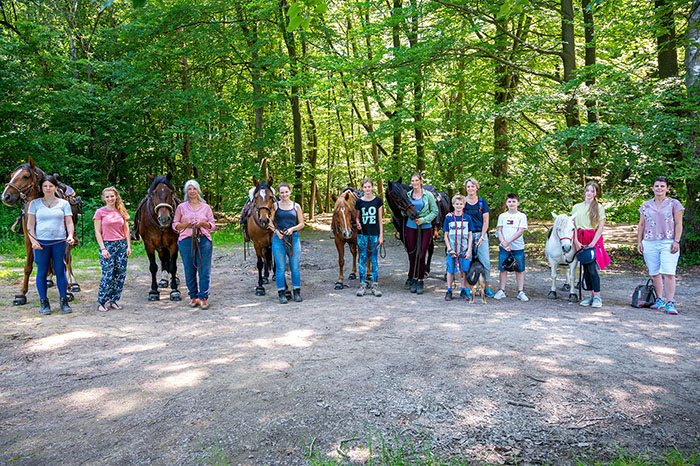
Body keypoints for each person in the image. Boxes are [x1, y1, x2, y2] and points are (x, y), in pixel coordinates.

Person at [26, 175, 75, 315]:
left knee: (60, 270)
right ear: (41, 188)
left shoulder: (63, 204)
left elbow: (69, 222)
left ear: (56, 188)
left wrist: (70, 235)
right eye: (45, 186)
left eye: (50, 186)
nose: (48, 189)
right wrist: (33, 240)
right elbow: (30, 225)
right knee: (41, 271)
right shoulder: (34, 204)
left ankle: (64, 300)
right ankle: (44, 302)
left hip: (59, 242)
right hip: (41, 243)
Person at [637, 176, 684, 315]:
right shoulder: (645, 205)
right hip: (650, 241)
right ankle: (659, 299)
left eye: (662, 186)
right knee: (654, 273)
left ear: (667, 189)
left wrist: (676, 240)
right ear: (652, 188)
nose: (659, 188)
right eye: (657, 186)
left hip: (668, 241)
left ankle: (670, 302)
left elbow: (678, 223)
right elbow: (641, 224)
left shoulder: (674, 204)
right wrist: (639, 241)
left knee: (669, 272)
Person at [173, 180, 215, 309]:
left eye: (194, 189)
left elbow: (212, 226)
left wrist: (204, 224)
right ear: (186, 192)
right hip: (186, 240)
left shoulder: (206, 207)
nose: (192, 191)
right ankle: (193, 296)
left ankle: (203, 297)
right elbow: (175, 225)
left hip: (203, 240)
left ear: (198, 191)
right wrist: (186, 225)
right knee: (189, 269)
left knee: (204, 269)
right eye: (189, 189)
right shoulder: (181, 207)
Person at [572, 181, 611, 308]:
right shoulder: (576, 207)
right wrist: (576, 241)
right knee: (585, 269)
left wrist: (593, 243)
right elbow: (573, 225)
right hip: (580, 238)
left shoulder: (599, 207)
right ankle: (589, 295)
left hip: (593, 239)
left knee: (593, 268)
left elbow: (600, 227)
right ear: (584, 191)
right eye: (588, 190)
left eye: (592, 191)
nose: (589, 193)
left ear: (596, 193)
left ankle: (597, 296)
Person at [93, 187, 132, 312]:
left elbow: (126, 230)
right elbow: (97, 232)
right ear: (104, 198)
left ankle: (114, 300)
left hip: (121, 245)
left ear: (116, 197)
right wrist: (103, 248)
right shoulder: (100, 212)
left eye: (112, 196)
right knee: (108, 275)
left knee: (120, 274)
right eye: (107, 196)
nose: (110, 198)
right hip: (107, 245)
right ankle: (101, 301)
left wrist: (128, 246)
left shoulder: (121, 211)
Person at [270, 182, 304, 304]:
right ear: (279, 193)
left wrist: (292, 229)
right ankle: (282, 293)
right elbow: (270, 222)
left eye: (286, 192)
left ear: (290, 191)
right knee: (280, 267)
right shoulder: (275, 206)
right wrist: (276, 231)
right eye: (282, 192)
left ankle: (297, 292)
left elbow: (301, 224)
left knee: (295, 267)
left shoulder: (296, 206)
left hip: (293, 238)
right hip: (278, 239)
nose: (284, 194)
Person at [405, 173, 438, 294]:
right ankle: (413, 279)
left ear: (421, 181)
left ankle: (420, 280)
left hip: (425, 227)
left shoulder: (428, 195)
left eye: (416, 180)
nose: (414, 183)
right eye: (412, 181)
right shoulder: (408, 195)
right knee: (412, 254)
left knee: (421, 254)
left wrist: (423, 220)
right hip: (410, 227)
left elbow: (435, 211)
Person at [463, 178, 496, 297]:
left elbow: (486, 221)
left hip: (480, 234)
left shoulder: (482, 202)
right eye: (468, 187)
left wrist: (482, 236)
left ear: (477, 188)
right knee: (466, 262)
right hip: (466, 236)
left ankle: (486, 287)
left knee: (485, 262)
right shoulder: (463, 202)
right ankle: (467, 289)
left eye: (472, 186)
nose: (470, 189)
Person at [494, 193, 529, 301]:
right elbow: (499, 230)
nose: (512, 203)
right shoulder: (502, 216)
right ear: (506, 203)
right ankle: (502, 290)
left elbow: (521, 230)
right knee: (503, 269)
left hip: (517, 247)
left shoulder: (522, 216)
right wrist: (503, 243)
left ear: (518, 203)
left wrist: (509, 241)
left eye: (514, 201)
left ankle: (520, 291)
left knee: (519, 269)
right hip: (504, 247)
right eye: (509, 201)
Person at [354, 178, 384, 297]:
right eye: (365, 187)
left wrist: (381, 235)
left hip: (374, 234)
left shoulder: (378, 201)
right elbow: (356, 217)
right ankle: (362, 285)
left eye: (369, 186)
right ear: (362, 188)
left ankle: (375, 285)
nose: (367, 189)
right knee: (362, 258)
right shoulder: (359, 202)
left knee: (374, 259)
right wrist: (358, 222)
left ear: (372, 187)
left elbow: (380, 220)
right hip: (362, 235)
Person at [443, 194, 472, 301]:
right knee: (450, 270)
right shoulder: (449, 218)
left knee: (464, 270)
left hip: (464, 250)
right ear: (453, 205)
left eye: (461, 204)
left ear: (464, 205)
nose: (459, 206)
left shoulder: (467, 218)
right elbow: (446, 235)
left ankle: (464, 290)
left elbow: (470, 235)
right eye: (457, 204)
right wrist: (449, 249)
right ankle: (449, 290)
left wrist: (469, 250)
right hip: (452, 250)